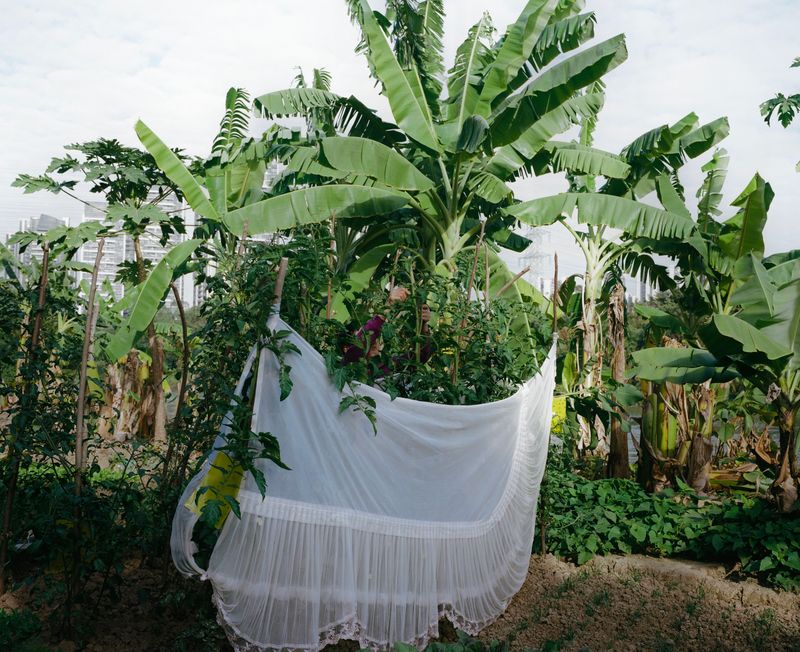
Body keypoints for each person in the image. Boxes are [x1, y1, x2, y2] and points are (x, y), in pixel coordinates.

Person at [342, 286, 432, 369]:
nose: (373, 339)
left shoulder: (387, 366)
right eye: (361, 331)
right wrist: (389, 304)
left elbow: (419, 357)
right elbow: (361, 343)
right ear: (345, 348)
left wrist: (423, 325)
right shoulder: (350, 367)